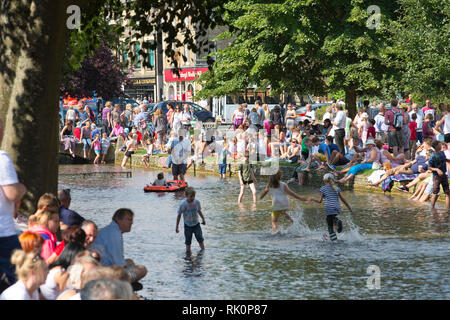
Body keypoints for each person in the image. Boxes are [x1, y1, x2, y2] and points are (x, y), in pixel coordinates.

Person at [0, 118, 27, 293]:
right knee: (16, 286)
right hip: (3, 235)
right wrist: (22, 188)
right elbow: (12, 193)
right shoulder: (1, 158)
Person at [91, 208, 147, 283]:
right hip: (103, 273)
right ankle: (123, 286)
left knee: (130, 262)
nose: (131, 223)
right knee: (142, 269)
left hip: (99, 267)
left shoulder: (109, 230)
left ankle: (130, 284)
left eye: (131, 220)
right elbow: (119, 264)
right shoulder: (115, 234)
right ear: (118, 220)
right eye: (128, 219)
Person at [310, 173, 355, 241]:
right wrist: (350, 209)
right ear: (332, 180)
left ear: (324, 180)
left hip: (330, 209)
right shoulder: (336, 188)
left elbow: (320, 201)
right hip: (337, 208)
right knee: (330, 219)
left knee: (330, 227)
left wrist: (312, 199)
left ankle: (334, 241)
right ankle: (337, 222)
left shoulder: (323, 188)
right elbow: (343, 199)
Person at [175, 187, 206, 254]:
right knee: (188, 241)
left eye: (194, 196)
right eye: (191, 196)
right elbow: (179, 215)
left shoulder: (196, 202)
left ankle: (203, 250)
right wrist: (177, 226)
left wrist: (203, 219)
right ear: (186, 196)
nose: (192, 198)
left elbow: (199, 211)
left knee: (200, 238)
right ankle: (188, 253)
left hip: (196, 224)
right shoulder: (183, 204)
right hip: (187, 226)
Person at [428, 140, 450, 210]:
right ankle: (432, 208)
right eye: (439, 145)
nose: (441, 146)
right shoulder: (432, 156)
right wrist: (437, 169)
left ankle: (447, 209)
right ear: (436, 146)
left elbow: (445, 159)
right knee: (435, 192)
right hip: (436, 176)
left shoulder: (442, 153)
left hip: (444, 175)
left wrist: (448, 160)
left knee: (447, 192)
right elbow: (429, 167)